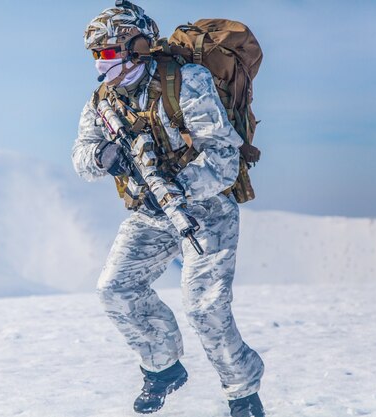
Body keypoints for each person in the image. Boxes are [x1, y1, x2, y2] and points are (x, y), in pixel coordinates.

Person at [72, 2, 265, 416]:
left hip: (208, 209)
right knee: (115, 288)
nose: (101, 64)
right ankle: (162, 367)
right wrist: (103, 157)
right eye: (96, 55)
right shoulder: (104, 100)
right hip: (150, 212)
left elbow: (223, 160)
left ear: (137, 46)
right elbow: (81, 156)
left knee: (205, 308)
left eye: (108, 52)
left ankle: (243, 393)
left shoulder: (187, 82)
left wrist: (178, 189)